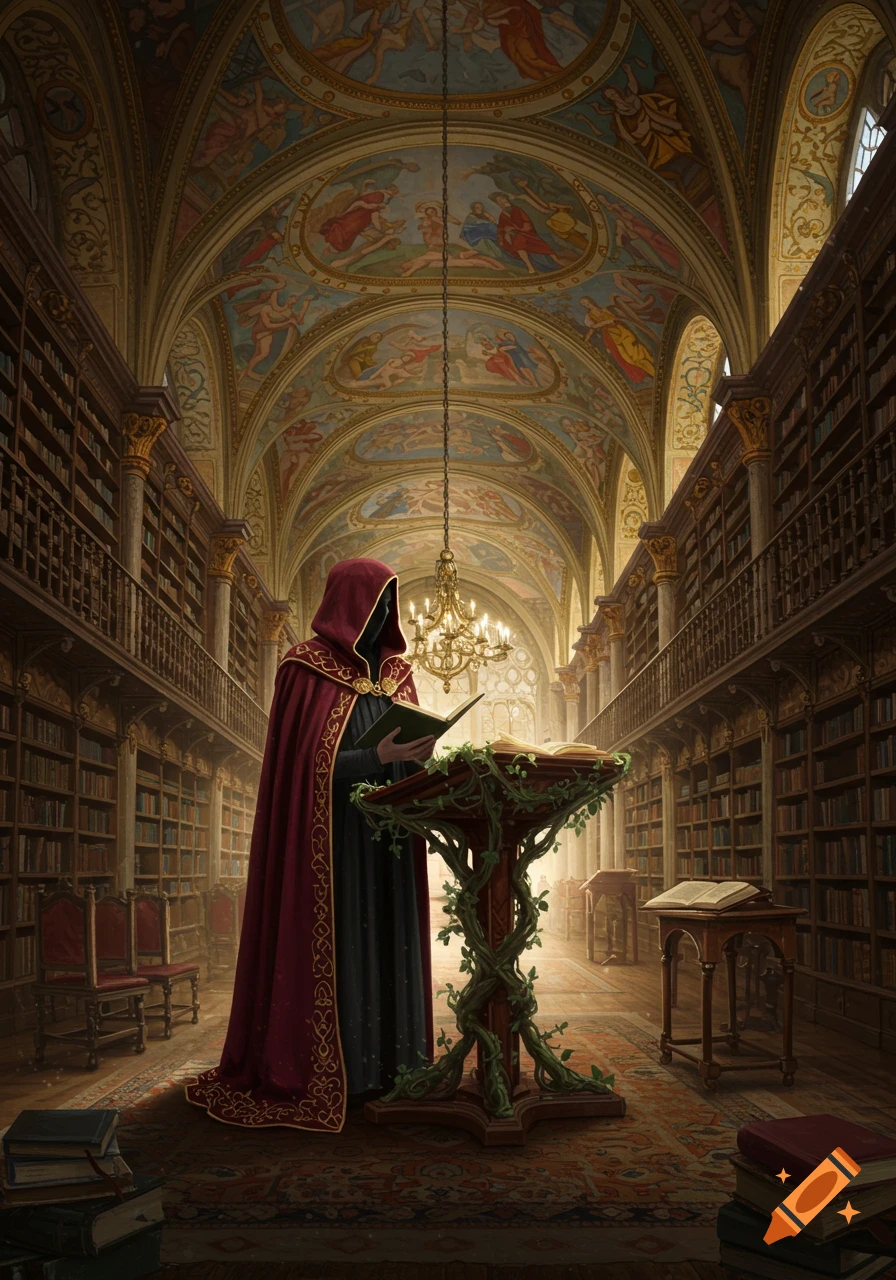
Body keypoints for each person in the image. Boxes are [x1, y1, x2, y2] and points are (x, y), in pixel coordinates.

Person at [186, 560, 436, 1132]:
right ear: (351, 603)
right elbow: (300, 769)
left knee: (388, 942)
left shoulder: (399, 674)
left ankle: (394, 1069)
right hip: (331, 844)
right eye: (375, 602)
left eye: (390, 605)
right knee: (345, 944)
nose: (383, 617)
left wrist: (420, 757)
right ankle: (339, 1072)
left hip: (390, 842)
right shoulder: (305, 669)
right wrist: (378, 758)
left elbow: (414, 750)